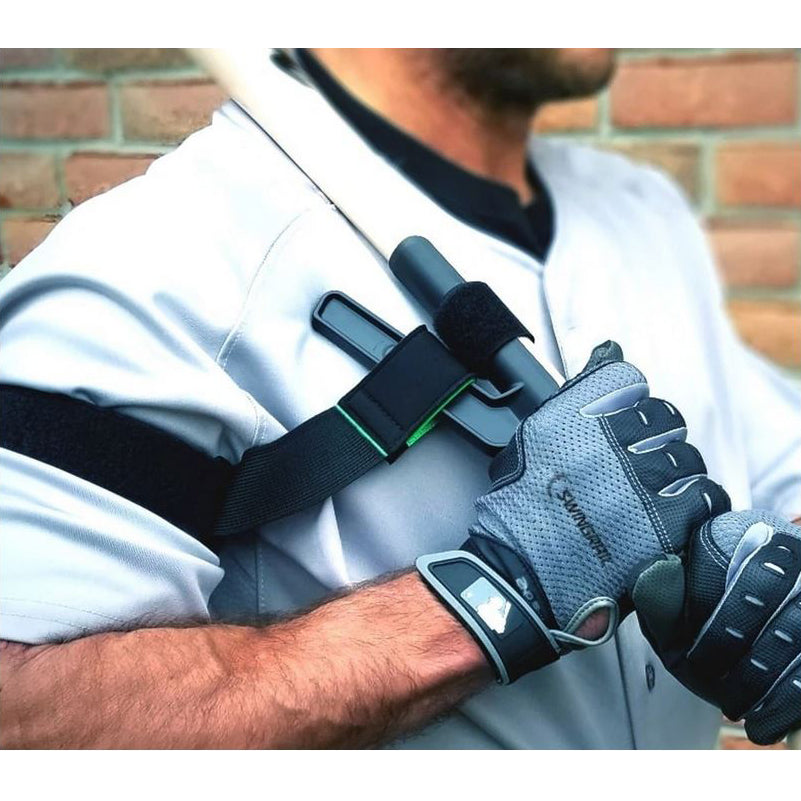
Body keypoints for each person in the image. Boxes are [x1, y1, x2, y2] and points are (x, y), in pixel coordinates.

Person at [0, 49, 799, 749]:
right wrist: (489, 599)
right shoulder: (155, 264)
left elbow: (779, 467)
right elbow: (25, 723)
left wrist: (771, 586)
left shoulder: (640, 215)